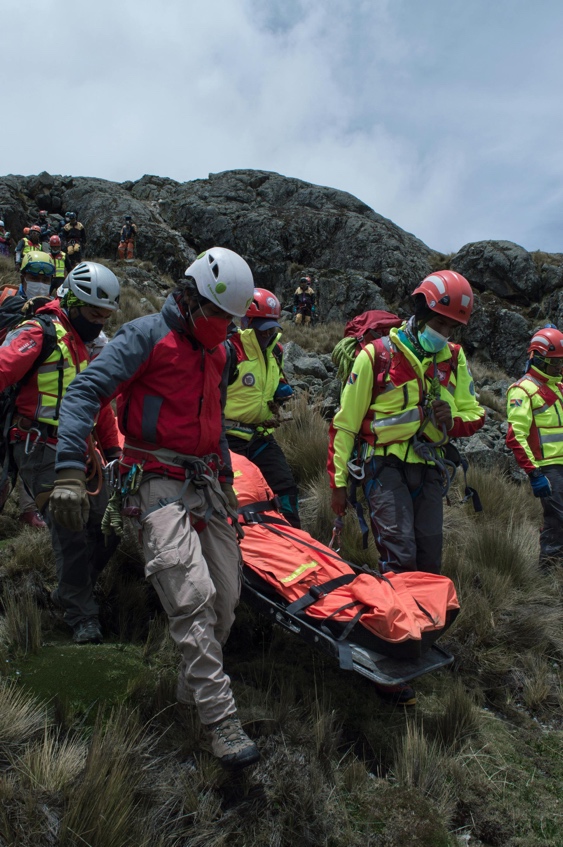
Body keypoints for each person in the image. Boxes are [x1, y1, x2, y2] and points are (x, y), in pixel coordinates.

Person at [49, 247, 260, 769]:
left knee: (225, 599)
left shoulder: (219, 351)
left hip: (205, 481)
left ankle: (188, 698)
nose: (225, 328)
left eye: (231, 320)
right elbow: (82, 395)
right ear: (190, 298)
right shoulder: (144, 337)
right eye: (218, 316)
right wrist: (70, 471)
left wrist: (227, 483)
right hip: (153, 479)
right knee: (192, 596)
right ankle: (220, 721)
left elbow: (215, 425)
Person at [329, 270, 485, 576]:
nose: (444, 333)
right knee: (400, 558)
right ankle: (396, 608)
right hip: (383, 466)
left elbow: (475, 413)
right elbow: (345, 424)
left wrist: (452, 421)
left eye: (451, 327)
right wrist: (338, 484)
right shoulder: (377, 355)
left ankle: (421, 610)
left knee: (429, 562)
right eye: (439, 323)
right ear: (421, 311)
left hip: (430, 467)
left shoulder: (454, 358)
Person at [0, 262, 122, 642]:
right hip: (37, 445)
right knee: (69, 522)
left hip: (80, 449)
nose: (99, 323)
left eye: (105, 316)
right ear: (71, 301)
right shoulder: (39, 333)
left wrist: (114, 450)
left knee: (109, 525)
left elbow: (100, 406)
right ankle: (81, 614)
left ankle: (69, 590)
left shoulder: (85, 347)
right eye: (93, 314)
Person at [225, 288, 300, 527]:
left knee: (285, 487)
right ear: (245, 322)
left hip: (260, 437)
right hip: (228, 439)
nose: (267, 334)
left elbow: (274, 376)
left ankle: (294, 536)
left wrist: (280, 387)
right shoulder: (230, 350)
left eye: (271, 329)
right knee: (238, 497)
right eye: (261, 329)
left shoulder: (275, 351)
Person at [0, 250, 56, 529]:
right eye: (34, 277)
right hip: (5, 382)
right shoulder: (8, 301)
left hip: (26, 389)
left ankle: (28, 508)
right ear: (23, 276)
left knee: (27, 445)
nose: (39, 283)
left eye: (45, 279)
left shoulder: (51, 309)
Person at [506, 326, 563, 568]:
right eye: (554, 362)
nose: (559, 367)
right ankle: (549, 572)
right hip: (548, 469)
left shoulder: (559, 387)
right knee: (558, 521)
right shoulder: (522, 390)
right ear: (538, 358)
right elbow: (515, 436)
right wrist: (534, 473)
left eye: (561, 362)